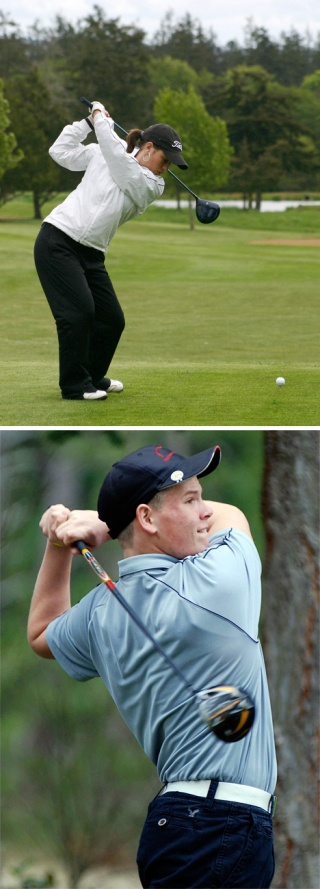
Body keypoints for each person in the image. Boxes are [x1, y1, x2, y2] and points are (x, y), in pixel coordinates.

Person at [28, 443, 277, 888]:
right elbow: (233, 515)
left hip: (185, 826)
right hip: (218, 826)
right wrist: (106, 523)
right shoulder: (217, 582)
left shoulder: (102, 611)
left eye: (202, 498)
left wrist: (56, 544)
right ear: (146, 518)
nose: (205, 511)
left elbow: (41, 634)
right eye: (191, 500)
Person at [34, 103, 188, 401]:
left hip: (92, 254)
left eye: (171, 163)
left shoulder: (152, 185)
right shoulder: (108, 149)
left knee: (112, 319)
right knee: (78, 313)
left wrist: (100, 120)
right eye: (165, 159)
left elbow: (120, 163)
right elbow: (60, 152)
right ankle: (74, 386)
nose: (166, 167)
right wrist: (87, 124)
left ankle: (92, 376)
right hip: (58, 240)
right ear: (148, 147)